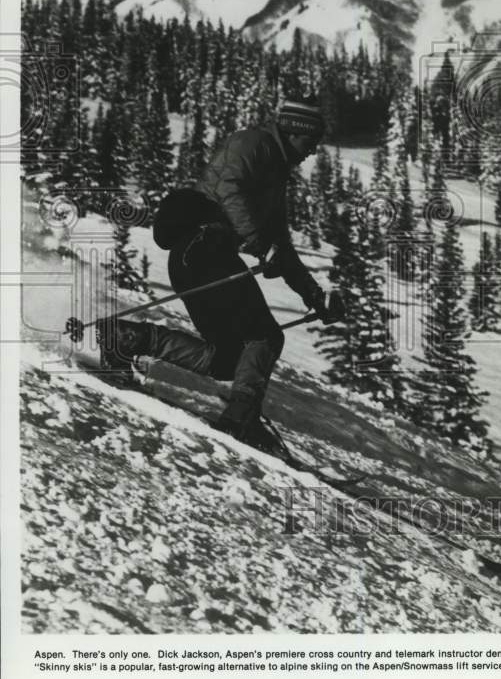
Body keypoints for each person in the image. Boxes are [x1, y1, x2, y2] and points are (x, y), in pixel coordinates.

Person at [95, 98, 345, 453]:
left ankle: (126, 338)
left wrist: (314, 296)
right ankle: (240, 419)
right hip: (203, 247)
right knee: (263, 337)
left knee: (228, 357)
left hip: (198, 257)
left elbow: (281, 246)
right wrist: (259, 243)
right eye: (312, 141)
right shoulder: (254, 143)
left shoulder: (275, 176)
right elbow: (230, 188)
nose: (312, 151)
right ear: (295, 131)